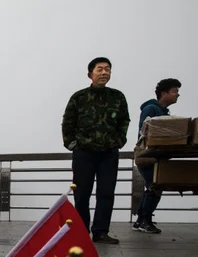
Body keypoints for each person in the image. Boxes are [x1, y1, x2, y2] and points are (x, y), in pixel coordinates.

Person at [62, 57, 130, 244]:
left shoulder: (118, 97)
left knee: (106, 192)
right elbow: (68, 122)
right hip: (84, 153)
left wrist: (119, 140)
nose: (104, 72)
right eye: (99, 69)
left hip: (109, 153)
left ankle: (100, 231)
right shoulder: (79, 97)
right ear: (90, 74)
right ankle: (82, 231)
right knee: (82, 193)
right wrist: (72, 144)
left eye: (107, 69)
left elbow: (124, 120)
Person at [133, 78, 182, 234]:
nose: (178, 95)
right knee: (154, 186)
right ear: (163, 93)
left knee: (153, 186)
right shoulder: (151, 109)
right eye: (174, 91)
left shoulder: (163, 112)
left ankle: (141, 220)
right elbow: (145, 132)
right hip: (148, 154)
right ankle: (145, 221)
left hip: (157, 155)